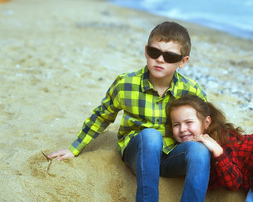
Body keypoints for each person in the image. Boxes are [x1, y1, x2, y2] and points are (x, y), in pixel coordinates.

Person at [49, 21, 210, 202]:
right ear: (146, 51)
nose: (160, 59)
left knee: (199, 151)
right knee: (151, 136)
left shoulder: (192, 90)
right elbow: (102, 116)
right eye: (154, 52)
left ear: (183, 61)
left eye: (170, 56)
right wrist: (74, 148)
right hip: (139, 152)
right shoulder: (126, 84)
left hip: (174, 155)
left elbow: (207, 124)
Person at [167, 95, 253, 202]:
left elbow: (233, 182)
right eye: (176, 125)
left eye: (189, 122)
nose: (183, 129)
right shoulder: (195, 150)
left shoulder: (223, 139)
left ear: (206, 122)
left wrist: (218, 151)